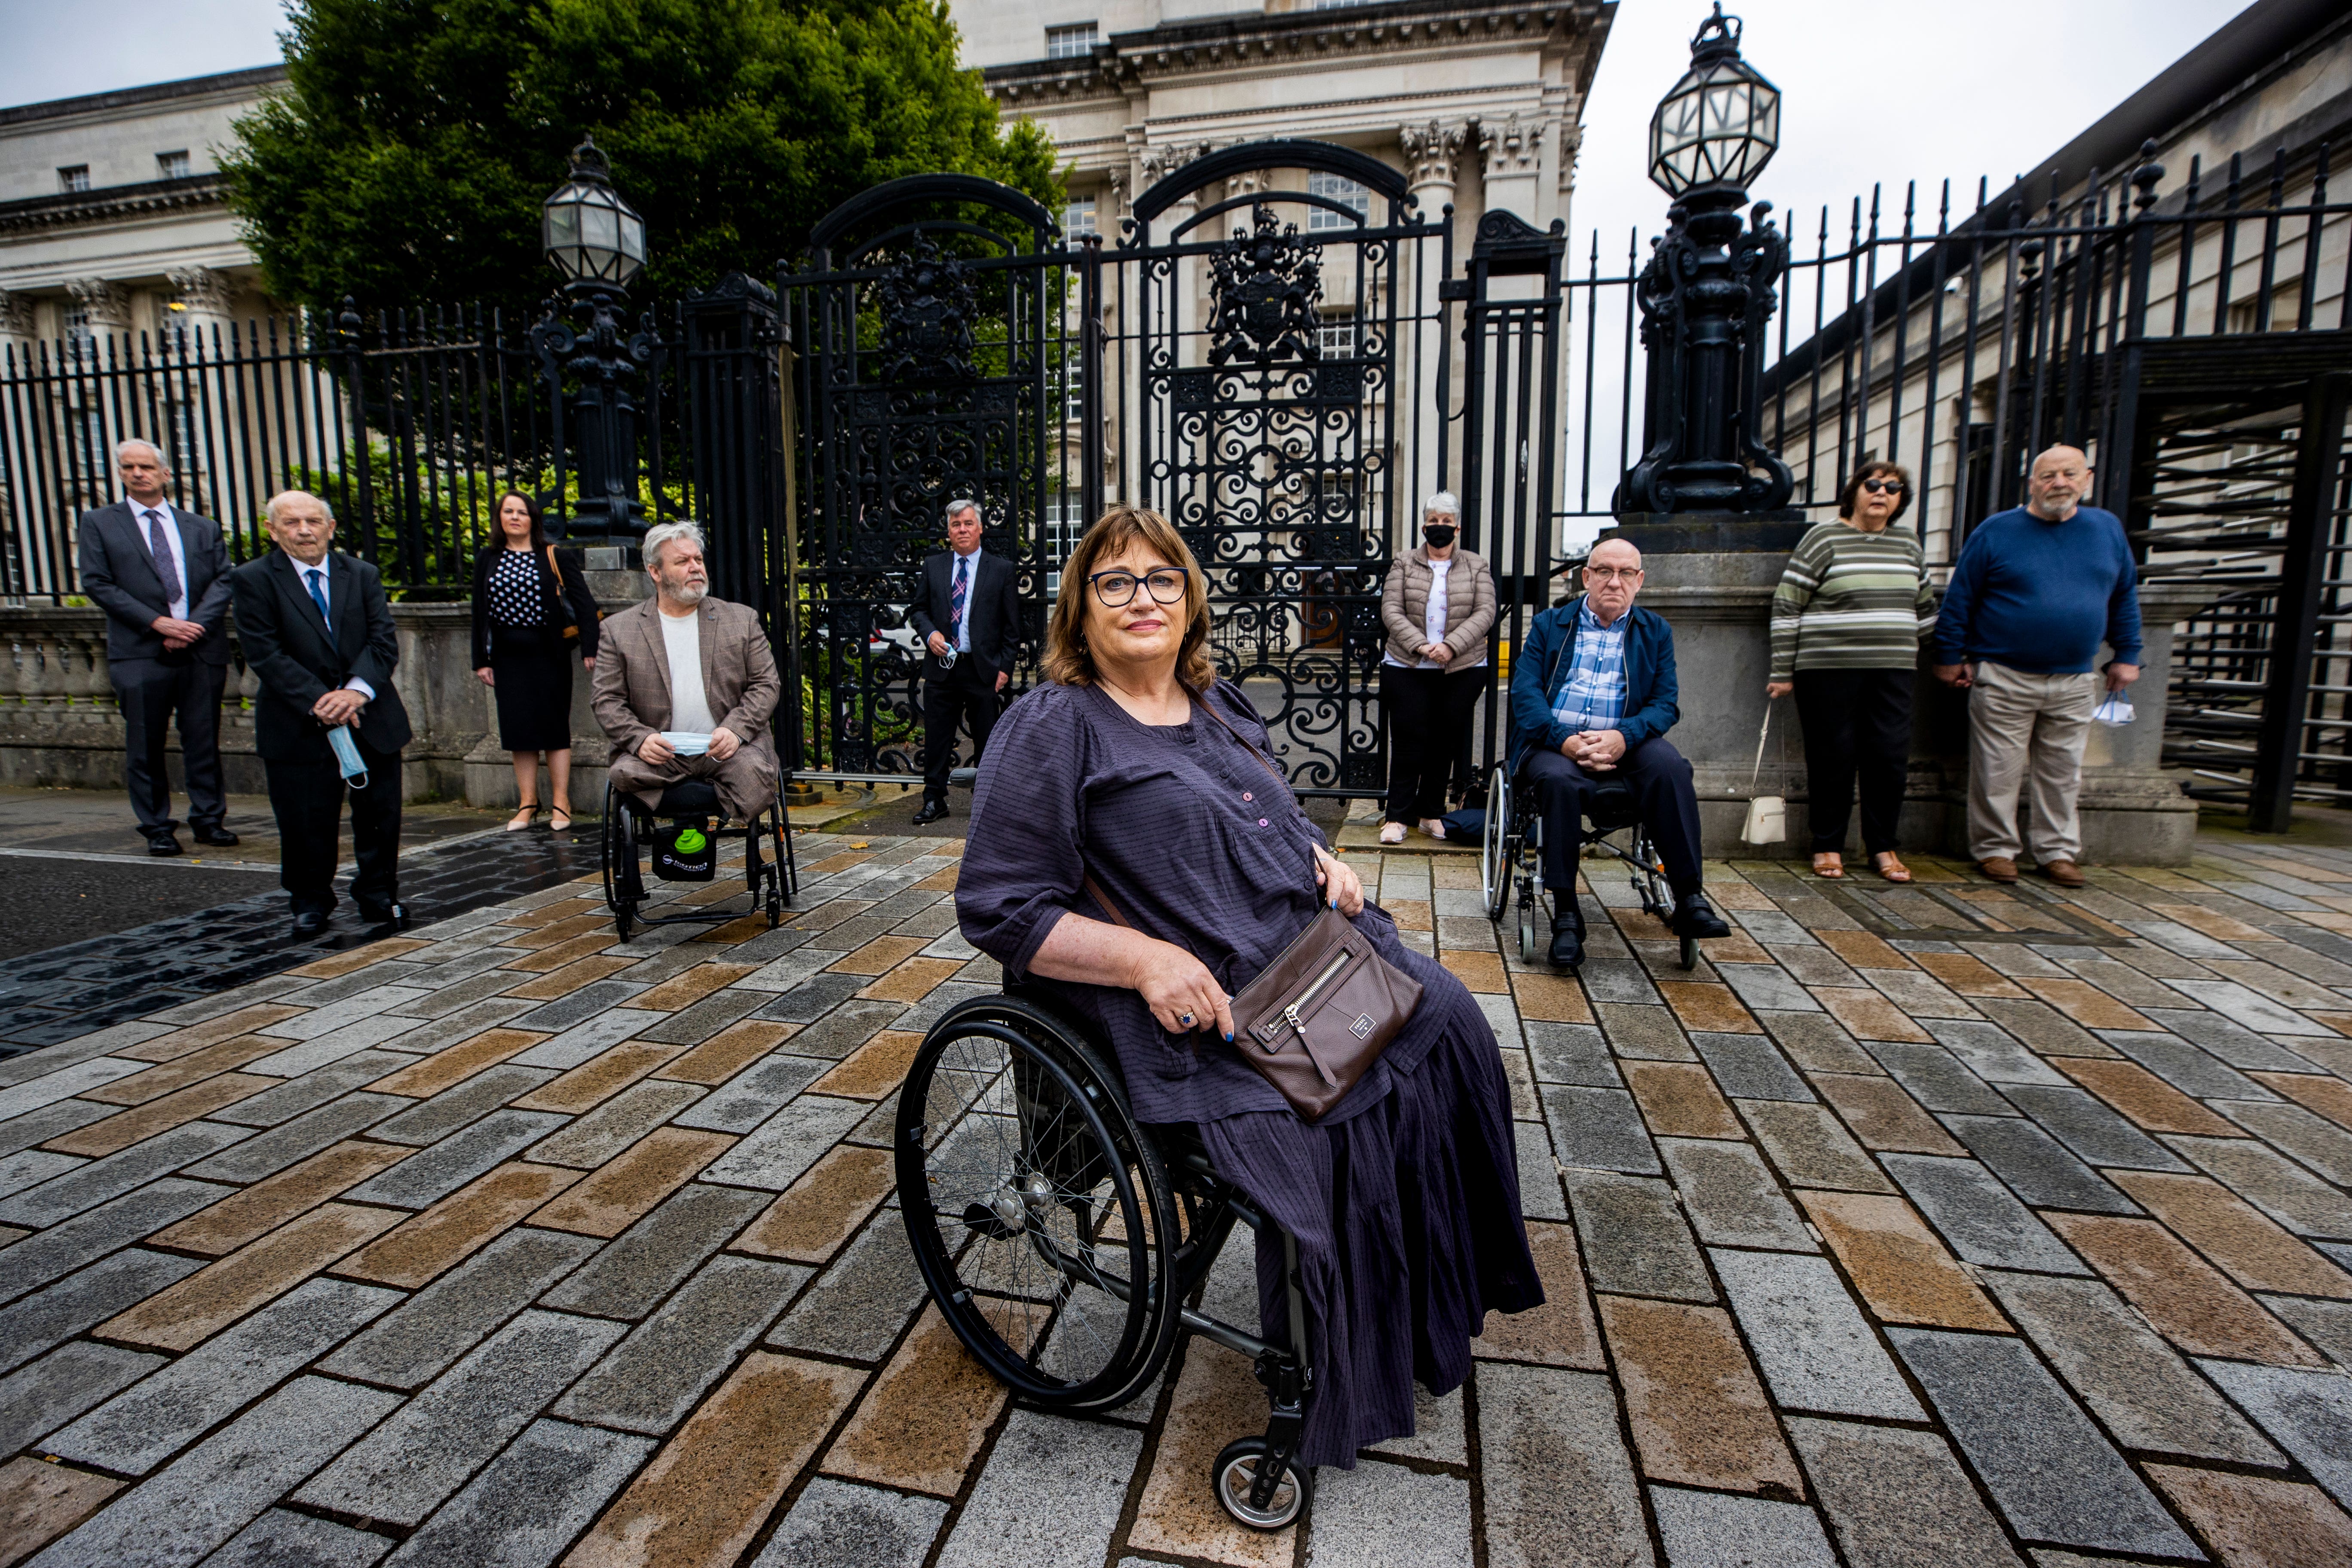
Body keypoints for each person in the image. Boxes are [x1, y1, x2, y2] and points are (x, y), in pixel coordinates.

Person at [956, 504, 1540, 1469]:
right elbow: (1000, 906)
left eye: (1163, 580)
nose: (1143, 598)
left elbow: (1265, 814)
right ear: (1079, 608)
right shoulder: (1054, 724)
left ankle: (1423, 1311)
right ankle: (1338, 1365)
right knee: (1333, 1111)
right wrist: (1145, 960)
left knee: (1450, 1023)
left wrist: (1322, 857)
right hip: (1204, 1008)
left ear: (1190, 603)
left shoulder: (1221, 702)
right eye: (1116, 582)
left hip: (1316, 952)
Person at [1507, 536, 1732, 968]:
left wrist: (1624, 737)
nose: (1615, 582)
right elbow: (1525, 694)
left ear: (1639, 580)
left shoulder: (1655, 631)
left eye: (1626, 573)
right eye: (1605, 571)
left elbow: (1666, 704)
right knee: (1557, 780)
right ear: (1587, 577)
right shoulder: (1550, 625)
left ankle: (1690, 898)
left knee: (1670, 767)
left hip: (1625, 743)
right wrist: (1566, 740)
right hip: (1555, 742)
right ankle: (1568, 913)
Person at [1932, 444, 2141, 888]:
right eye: (2048, 476)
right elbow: (1960, 600)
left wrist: (2127, 654)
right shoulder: (1996, 532)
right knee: (1996, 770)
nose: (2059, 483)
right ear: (2032, 482)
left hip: (2074, 674)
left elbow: (2124, 596)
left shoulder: (2106, 530)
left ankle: (2057, 852)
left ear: (2087, 477)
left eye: (2068, 474)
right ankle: (1995, 849)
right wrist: (1950, 657)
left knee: (2064, 771)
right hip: (2005, 672)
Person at [230, 490, 412, 937]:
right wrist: (320, 700)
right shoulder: (254, 580)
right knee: (305, 820)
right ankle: (310, 901)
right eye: (291, 523)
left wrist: (354, 694)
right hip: (297, 724)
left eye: (313, 521)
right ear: (272, 530)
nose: (305, 530)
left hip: (371, 718)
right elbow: (264, 653)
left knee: (379, 816)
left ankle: (379, 894)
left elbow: (383, 642)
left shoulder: (362, 574)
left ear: (331, 528)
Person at [1765, 461, 1938, 883]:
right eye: (1873, 484)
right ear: (1855, 491)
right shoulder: (1825, 538)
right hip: (1828, 669)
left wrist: (1939, 655)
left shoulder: (1907, 544)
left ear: (1901, 500)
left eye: (1893, 488)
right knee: (1833, 758)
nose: (1882, 492)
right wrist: (1782, 669)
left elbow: (1926, 608)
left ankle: (1884, 848)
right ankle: (1827, 845)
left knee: (1889, 758)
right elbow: (1788, 603)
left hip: (1893, 671)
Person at [76, 439, 238, 856]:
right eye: (128, 467)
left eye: (146, 466)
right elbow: (97, 583)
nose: (137, 473)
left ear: (165, 473)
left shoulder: (200, 526)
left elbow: (224, 580)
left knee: (203, 740)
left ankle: (208, 820)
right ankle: (157, 827)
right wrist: (157, 622)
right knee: (144, 744)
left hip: (200, 649)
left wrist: (192, 627)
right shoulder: (99, 523)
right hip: (139, 650)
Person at [591, 519, 782, 839]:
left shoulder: (741, 619)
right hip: (662, 756)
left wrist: (736, 731)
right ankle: (687, 826)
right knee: (624, 774)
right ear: (655, 572)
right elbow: (606, 700)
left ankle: (699, 824)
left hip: (728, 752)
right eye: (682, 562)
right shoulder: (619, 630)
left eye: (698, 559)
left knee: (757, 774)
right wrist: (640, 739)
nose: (695, 568)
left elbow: (766, 684)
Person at [471, 491, 602, 833]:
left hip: (550, 654)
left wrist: (591, 648)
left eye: (522, 512)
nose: (515, 517)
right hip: (507, 657)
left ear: (533, 520)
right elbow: (478, 613)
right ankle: (528, 802)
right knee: (519, 732)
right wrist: (481, 660)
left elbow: (584, 603)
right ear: (499, 518)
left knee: (554, 728)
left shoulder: (553, 555)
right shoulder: (488, 558)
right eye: (508, 511)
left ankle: (562, 802)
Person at [1378, 490, 1495, 845]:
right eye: (1434, 521)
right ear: (1425, 525)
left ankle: (1430, 815)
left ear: (1457, 527)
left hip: (1462, 667)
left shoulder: (1476, 565)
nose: (1439, 528)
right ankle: (1397, 817)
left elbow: (1486, 611)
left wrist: (1450, 646)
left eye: (1447, 522)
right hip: (1407, 663)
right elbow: (1391, 609)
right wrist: (1422, 644)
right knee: (1409, 740)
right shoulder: (1403, 562)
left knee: (1443, 742)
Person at [905, 498, 1020, 825]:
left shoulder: (1001, 570)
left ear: (980, 528)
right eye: (956, 525)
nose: (963, 530)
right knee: (937, 738)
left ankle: (986, 804)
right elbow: (918, 610)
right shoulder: (934, 566)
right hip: (942, 669)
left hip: (982, 669)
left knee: (988, 739)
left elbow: (1013, 628)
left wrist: (1004, 669)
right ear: (949, 531)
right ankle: (934, 800)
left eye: (968, 523)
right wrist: (930, 635)